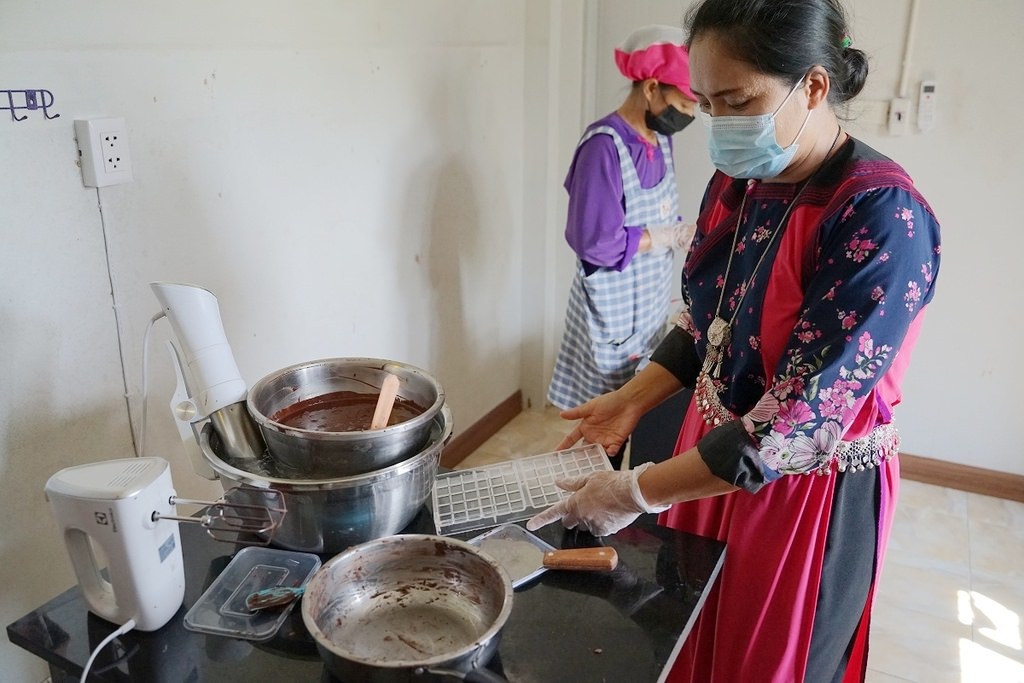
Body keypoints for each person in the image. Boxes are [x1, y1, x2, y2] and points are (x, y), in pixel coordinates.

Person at [528, 1, 942, 681]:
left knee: (764, 656)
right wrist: (632, 398)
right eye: (709, 102)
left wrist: (634, 491)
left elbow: (791, 427)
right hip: (708, 456)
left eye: (738, 100)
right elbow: (704, 318)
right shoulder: (738, 180)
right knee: (689, 633)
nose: (719, 123)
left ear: (812, 85)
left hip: (803, 490)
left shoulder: (880, 218)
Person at [547, 25, 699, 469]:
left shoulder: (660, 140)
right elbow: (596, 243)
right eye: (685, 103)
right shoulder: (603, 147)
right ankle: (585, 524)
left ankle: (617, 514)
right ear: (652, 88)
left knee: (635, 421)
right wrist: (665, 237)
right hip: (609, 318)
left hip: (647, 310)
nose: (689, 114)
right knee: (600, 436)